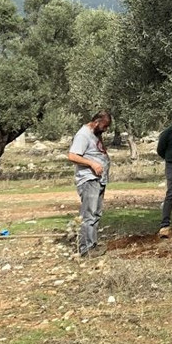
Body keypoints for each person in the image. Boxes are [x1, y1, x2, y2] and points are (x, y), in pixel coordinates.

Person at [67, 110, 112, 258]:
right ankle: (85, 248)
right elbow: (73, 156)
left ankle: (92, 244)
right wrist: (92, 164)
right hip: (88, 179)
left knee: (96, 214)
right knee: (89, 214)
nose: (105, 130)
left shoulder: (95, 135)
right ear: (97, 122)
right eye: (104, 126)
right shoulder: (83, 135)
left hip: (99, 179)